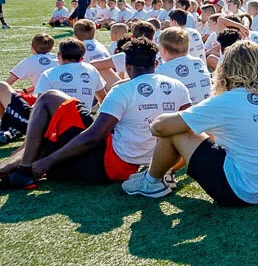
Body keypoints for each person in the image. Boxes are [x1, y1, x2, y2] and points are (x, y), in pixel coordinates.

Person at [0, 38, 190, 190]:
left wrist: (47, 162)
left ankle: (25, 171)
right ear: (155, 63)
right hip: (155, 161)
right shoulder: (177, 86)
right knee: (51, 117)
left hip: (112, 164)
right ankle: (22, 167)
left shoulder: (122, 91)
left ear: (126, 65)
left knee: (48, 109)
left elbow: (94, 136)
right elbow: (187, 125)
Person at [122, 41, 258, 205]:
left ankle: (151, 182)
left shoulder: (227, 100)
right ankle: (163, 173)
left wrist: (162, 119)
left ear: (225, 67)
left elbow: (160, 127)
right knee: (190, 126)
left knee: (175, 129)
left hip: (242, 191)